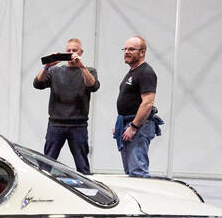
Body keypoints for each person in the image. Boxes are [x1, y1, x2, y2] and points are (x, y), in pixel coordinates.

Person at [33, 37, 98, 173]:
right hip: (56, 124)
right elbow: (38, 84)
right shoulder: (55, 71)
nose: (71, 53)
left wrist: (81, 66)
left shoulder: (89, 71)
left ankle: (86, 191)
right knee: (47, 163)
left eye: (74, 50)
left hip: (78, 125)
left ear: (81, 52)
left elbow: (93, 85)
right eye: (68, 50)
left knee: (82, 165)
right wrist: (47, 66)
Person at [114, 35, 164, 177]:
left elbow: (147, 102)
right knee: (131, 171)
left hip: (138, 127)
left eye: (131, 49)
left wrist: (134, 127)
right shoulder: (133, 72)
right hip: (128, 124)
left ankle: (143, 199)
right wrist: (122, 124)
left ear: (142, 52)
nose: (127, 52)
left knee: (138, 171)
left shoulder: (146, 72)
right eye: (125, 49)